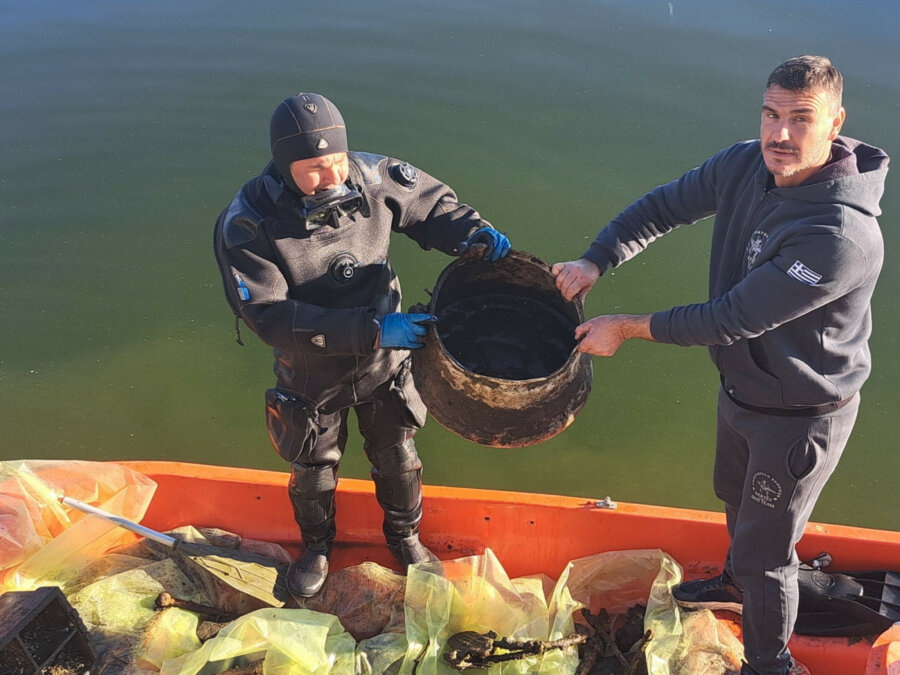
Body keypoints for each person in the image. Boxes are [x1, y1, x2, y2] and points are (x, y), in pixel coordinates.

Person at [552, 56, 888, 675]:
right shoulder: (745, 163)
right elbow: (665, 206)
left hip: (799, 415)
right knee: (732, 498)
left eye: (800, 119)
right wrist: (598, 258)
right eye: (770, 114)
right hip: (742, 389)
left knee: (768, 555)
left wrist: (625, 327)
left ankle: (770, 662)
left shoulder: (840, 236)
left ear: (835, 122)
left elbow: (731, 317)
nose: (779, 135)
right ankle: (736, 584)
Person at [213, 92, 510, 599]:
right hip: (312, 367)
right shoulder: (247, 224)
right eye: (312, 169)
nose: (330, 178)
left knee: (397, 453)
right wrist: (370, 329)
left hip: (386, 359)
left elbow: (429, 205)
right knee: (313, 466)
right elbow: (269, 316)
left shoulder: (373, 177)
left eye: (335, 163)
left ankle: (405, 537)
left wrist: (471, 232)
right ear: (284, 166)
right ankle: (317, 546)